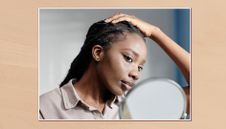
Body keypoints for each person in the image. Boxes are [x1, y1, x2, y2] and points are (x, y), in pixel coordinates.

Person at [39, 13, 190, 119]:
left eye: (140, 67)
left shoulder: (134, 106)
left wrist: (156, 33)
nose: (136, 74)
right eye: (129, 58)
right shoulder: (44, 108)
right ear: (98, 53)